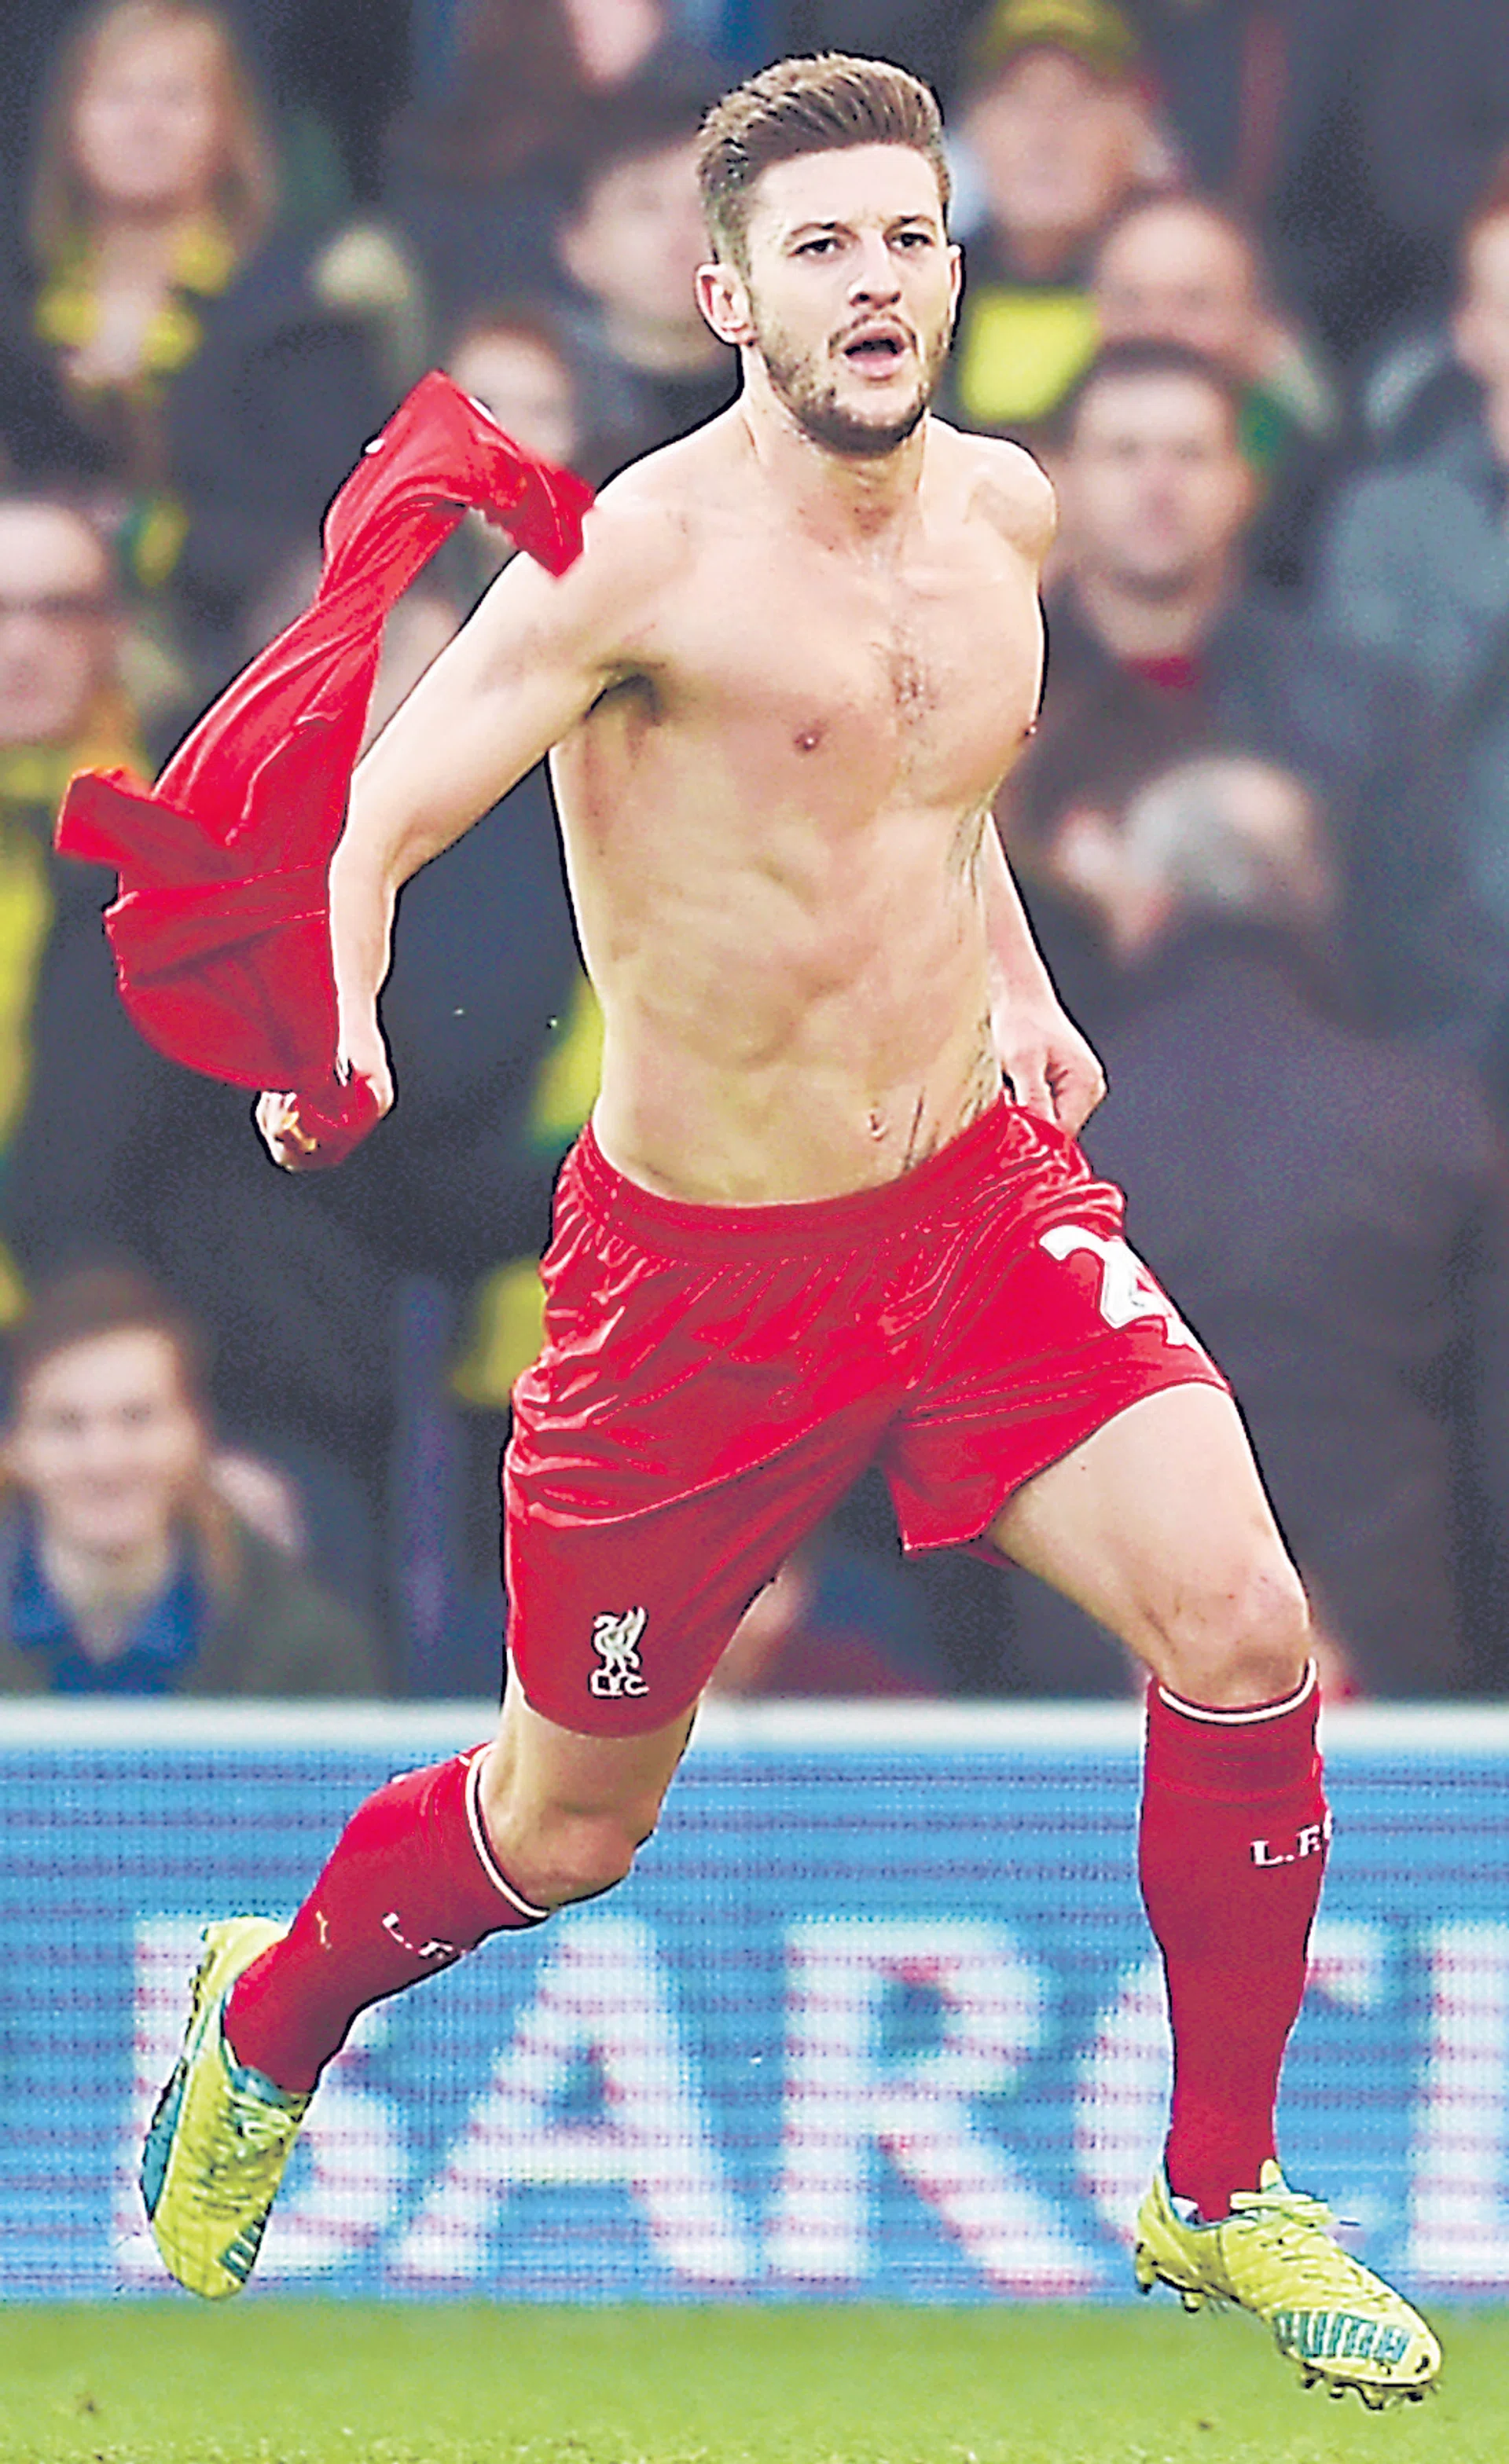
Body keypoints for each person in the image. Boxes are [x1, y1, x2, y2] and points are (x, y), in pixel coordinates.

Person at [138, 53, 1437, 2404]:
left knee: (1244, 1622)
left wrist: (1023, 992)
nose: (875, 281)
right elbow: (375, 817)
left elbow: (936, 810)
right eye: (820, 246)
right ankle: (268, 2011)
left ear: (953, 266)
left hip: (968, 1208)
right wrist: (330, 1027)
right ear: (727, 292)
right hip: (693, 1302)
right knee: (561, 1827)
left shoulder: (1011, 515)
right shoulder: (636, 559)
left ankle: (1218, 2193)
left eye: (906, 236)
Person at [1014, 751, 1509, 1699]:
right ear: (1312, 903)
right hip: (1391, 1671)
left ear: (1149, 906)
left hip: (1090, 1668)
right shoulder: (1433, 1123)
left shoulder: (1052, 1133)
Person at [1025, 336, 1496, 1045]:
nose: (1158, 484)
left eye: (1190, 454)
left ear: (1245, 481)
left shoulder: (1364, 709)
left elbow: (1431, 966)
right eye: (1124, 453)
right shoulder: (992, 707)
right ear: (1059, 479)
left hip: (1315, 1114)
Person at [0, 1266, 384, 1696]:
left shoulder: (307, 1650)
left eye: (138, 1419)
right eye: (66, 1425)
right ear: (15, 1448)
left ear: (197, 1435)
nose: (104, 1461)